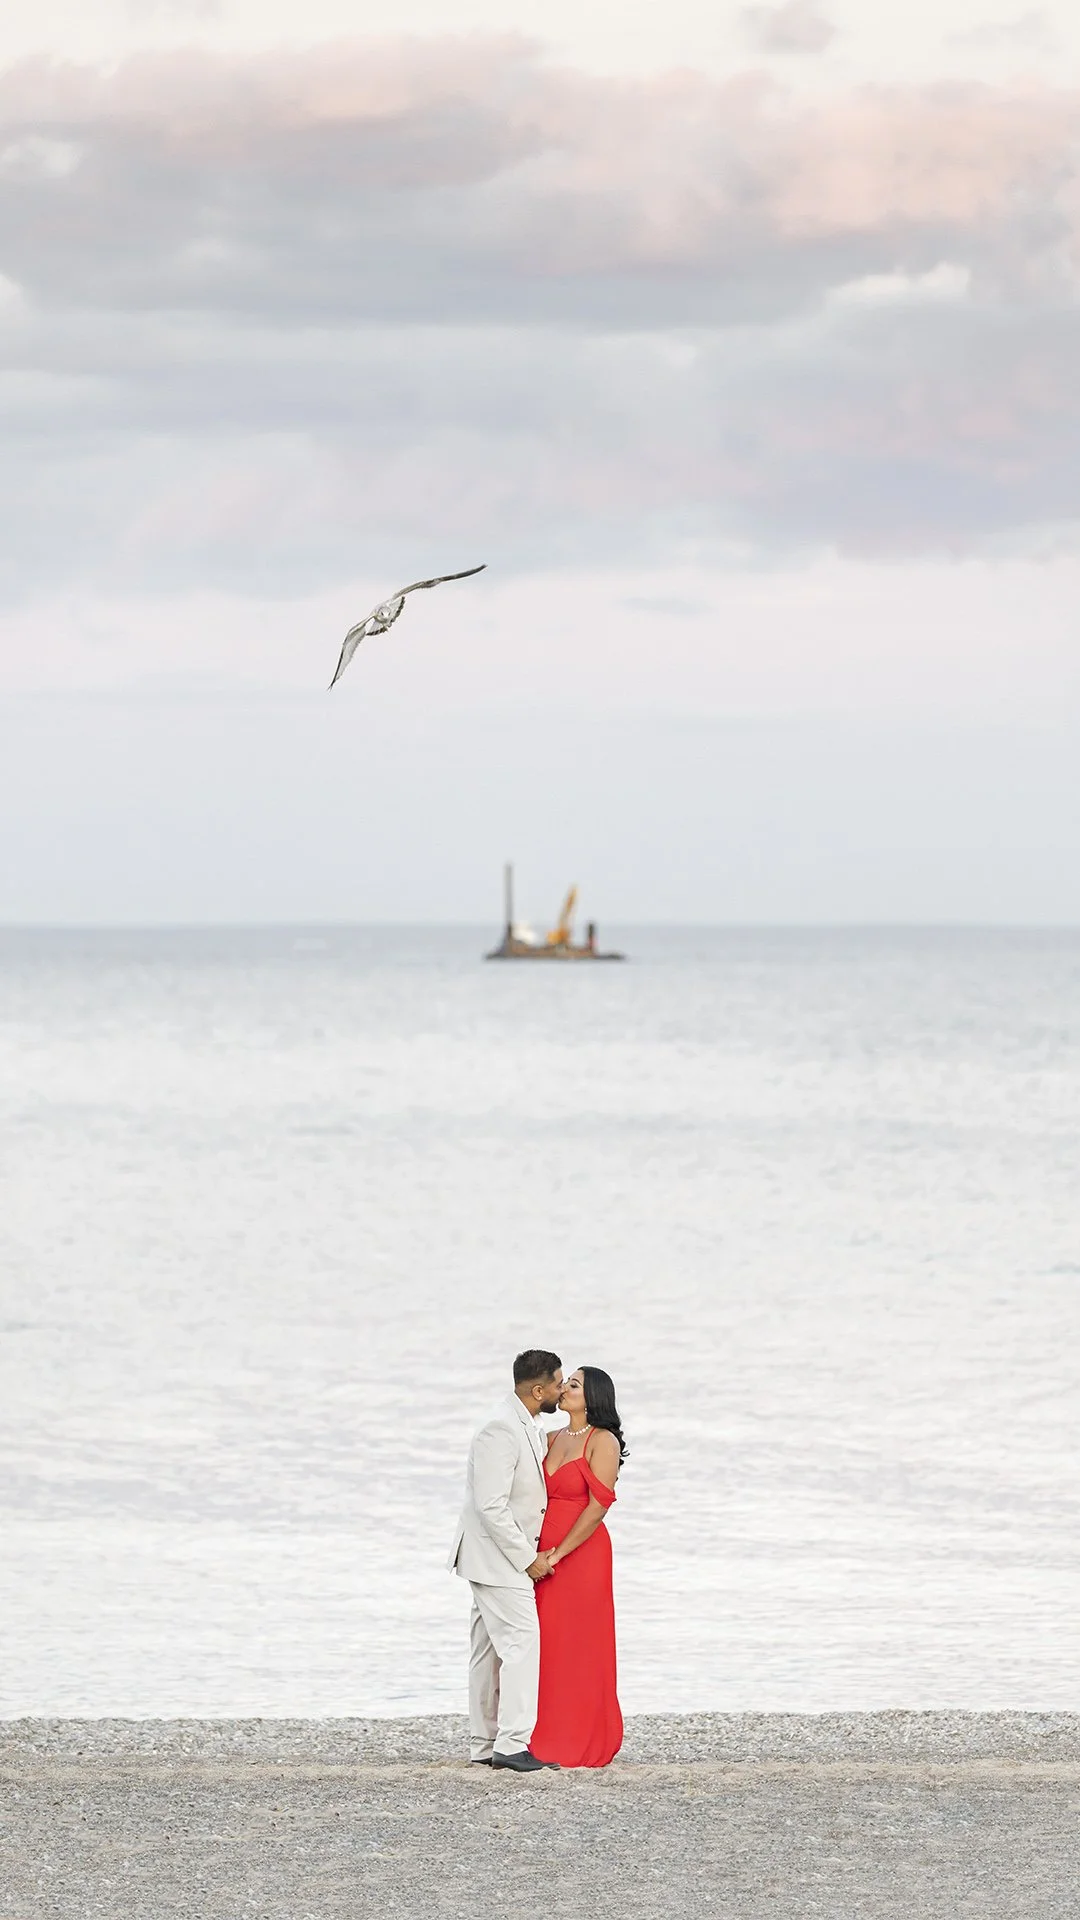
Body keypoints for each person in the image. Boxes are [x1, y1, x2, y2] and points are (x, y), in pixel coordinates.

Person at [448, 1349, 565, 1772]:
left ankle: (483, 1744)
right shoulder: (500, 1428)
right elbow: (490, 1506)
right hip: (497, 1558)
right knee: (520, 1645)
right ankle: (512, 1744)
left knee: (487, 1652)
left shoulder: (526, 1424)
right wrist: (526, 1558)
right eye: (557, 1383)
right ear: (538, 1390)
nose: (561, 1389)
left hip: (490, 1557)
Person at [530, 1365, 626, 1768]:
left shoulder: (601, 1441)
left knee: (580, 1645)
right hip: (539, 1557)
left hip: (581, 1556)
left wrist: (559, 1553)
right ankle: (535, 1738)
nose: (564, 1388)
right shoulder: (548, 1438)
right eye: (565, 1382)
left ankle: (584, 1740)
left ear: (594, 1397)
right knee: (545, 1645)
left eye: (574, 1384)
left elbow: (598, 1506)